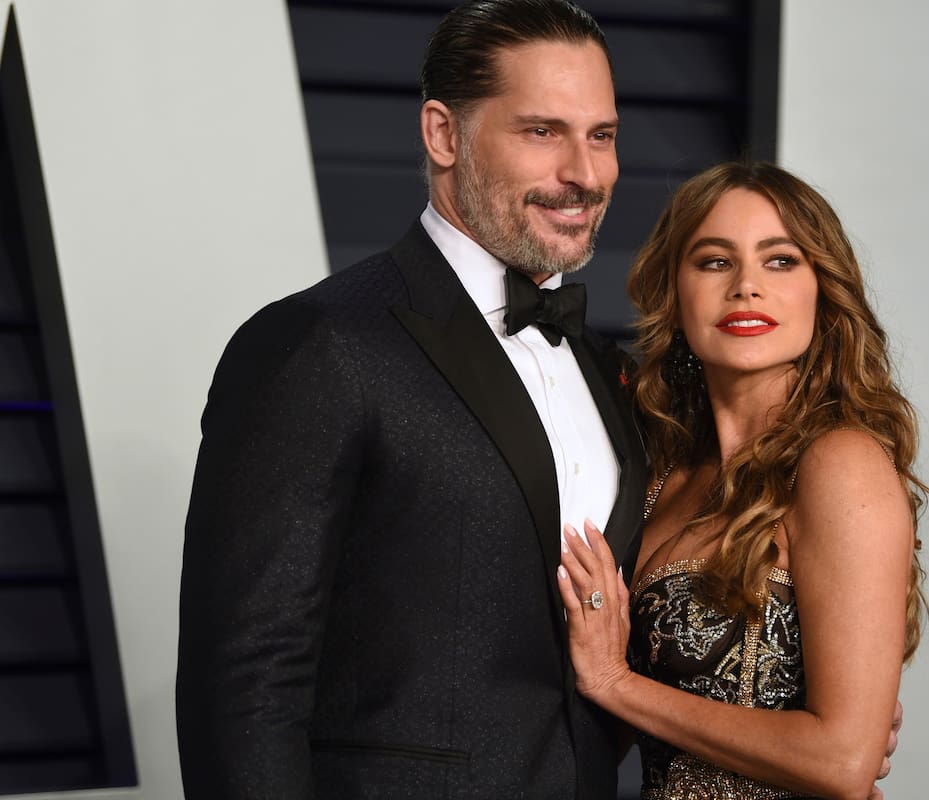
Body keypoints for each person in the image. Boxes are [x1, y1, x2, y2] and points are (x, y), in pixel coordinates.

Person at [175, 2, 647, 798]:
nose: (586, 174)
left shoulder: (609, 367)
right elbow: (245, 684)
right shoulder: (318, 344)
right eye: (543, 132)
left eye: (600, 135)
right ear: (442, 134)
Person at [557, 161, 929, 800]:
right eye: (714, 261)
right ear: (675, 291)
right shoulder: (657, 478)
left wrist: (618, 683)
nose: (746, 287)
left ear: (823, 289)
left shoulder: (839, 463)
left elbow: (843, 761)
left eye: (781, 261)